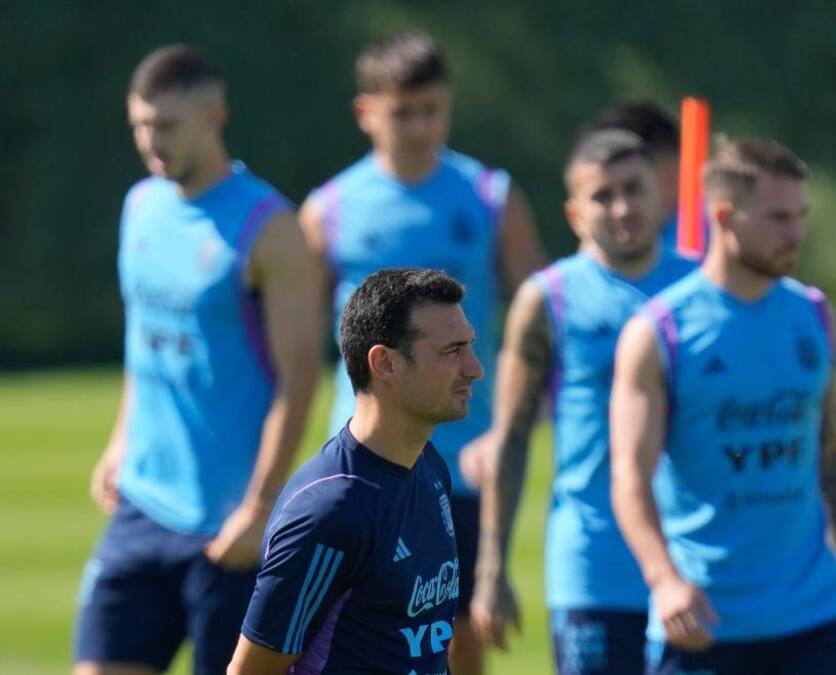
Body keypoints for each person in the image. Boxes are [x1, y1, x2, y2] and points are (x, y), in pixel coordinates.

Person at [298, 30, 545, 674]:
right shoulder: (329, 210)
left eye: (431, 110)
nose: (417, 127)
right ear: (366, 112)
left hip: (465, 458)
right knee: (355, 630)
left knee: (456, 635)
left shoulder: (489, 197)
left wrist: (522, 415)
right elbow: (294, 343)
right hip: (363, 460)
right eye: (401, 112)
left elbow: (540, 317)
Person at [74, 44, 321, 675]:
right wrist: (120, 441)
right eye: (140, 125)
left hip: (228, 526)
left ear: (214, 118)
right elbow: (144, 344)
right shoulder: (140, 206)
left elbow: (298, 379)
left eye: (166, 125)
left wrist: (260, 509)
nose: (150, 141)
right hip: (141, 507)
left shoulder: (270, 228)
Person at [610, 136, 836, 675]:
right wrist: (664, 581)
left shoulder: (815, 317)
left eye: (800, 216)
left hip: (816, 617)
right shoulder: (660, 333)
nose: (795, 233)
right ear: (724, 217)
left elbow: (832, 452)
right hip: (706, 622)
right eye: (778, 218)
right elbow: (630, 478)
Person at [470, 129, 695, 674]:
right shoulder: (548, 299)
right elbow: (510, 439)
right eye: (603, 195)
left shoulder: (700, 289)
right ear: (574, 214)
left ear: (661, 196)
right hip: (592, 568)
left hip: (692, 561)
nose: (623, 207)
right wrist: (492, 568)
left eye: (634, 189)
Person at [229, 268, 481, 673]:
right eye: (451, 351)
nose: (474, 368)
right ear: (385, 363)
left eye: (469, 346)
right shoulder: (331, 512)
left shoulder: (429, 467)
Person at [584, 100, 682, 250]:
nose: (622, 210)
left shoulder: (713, 235)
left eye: (633, 188)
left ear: (670, 175)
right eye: (604, 196)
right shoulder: (598, 249)